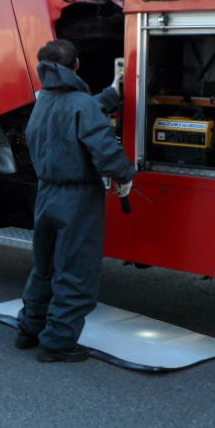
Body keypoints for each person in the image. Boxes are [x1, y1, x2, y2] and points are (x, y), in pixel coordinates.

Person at [16, 39, 137, 362]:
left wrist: (111, 93)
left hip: (46, 194)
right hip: (78, 199)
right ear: (77, 65)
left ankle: (29, 329)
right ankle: (57, 344)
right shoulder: (81, 104)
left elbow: (78, 112)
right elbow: (104, 148)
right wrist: (125, 174)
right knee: (75, 271)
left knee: (44, 268)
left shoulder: (42, 100)